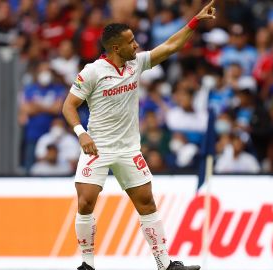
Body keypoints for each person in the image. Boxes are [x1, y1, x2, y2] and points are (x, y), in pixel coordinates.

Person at [61, 2, 216, 270]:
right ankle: (86, 265)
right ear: (116, 48)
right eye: (131, 42)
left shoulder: (137, 63)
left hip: (129, 149)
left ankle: (165, 264)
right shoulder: (92, 72)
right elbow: (68, 106)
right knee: (85, 202)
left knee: (146, 202)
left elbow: (170, 46)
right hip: (96, 147)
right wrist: (81, 133)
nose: (136, 45)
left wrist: (194, 22)